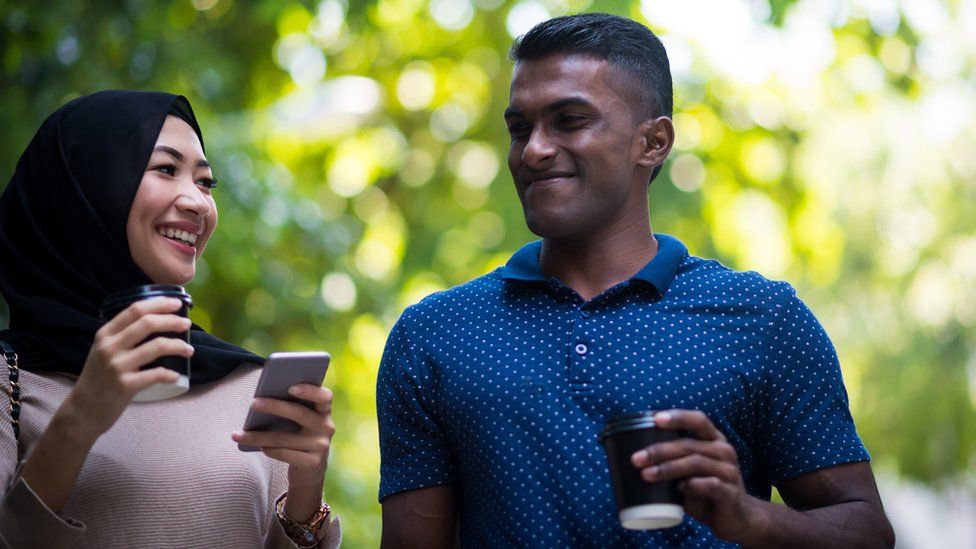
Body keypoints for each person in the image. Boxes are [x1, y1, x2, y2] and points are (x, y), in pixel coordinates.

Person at [376, 13, 894, 547]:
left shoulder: (762, 319)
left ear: (653, 142)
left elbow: (868, 532)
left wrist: (750, 517)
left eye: (570, 120)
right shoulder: (432, 335)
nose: (533, 150)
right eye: (519, 128)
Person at [0, 90, 340, 548]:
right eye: (165, 168)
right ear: (84, 188)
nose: (199, 203)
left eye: (205, 182)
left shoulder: (250, 386)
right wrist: (82, 415)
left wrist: (305, 497)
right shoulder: (11, 380)